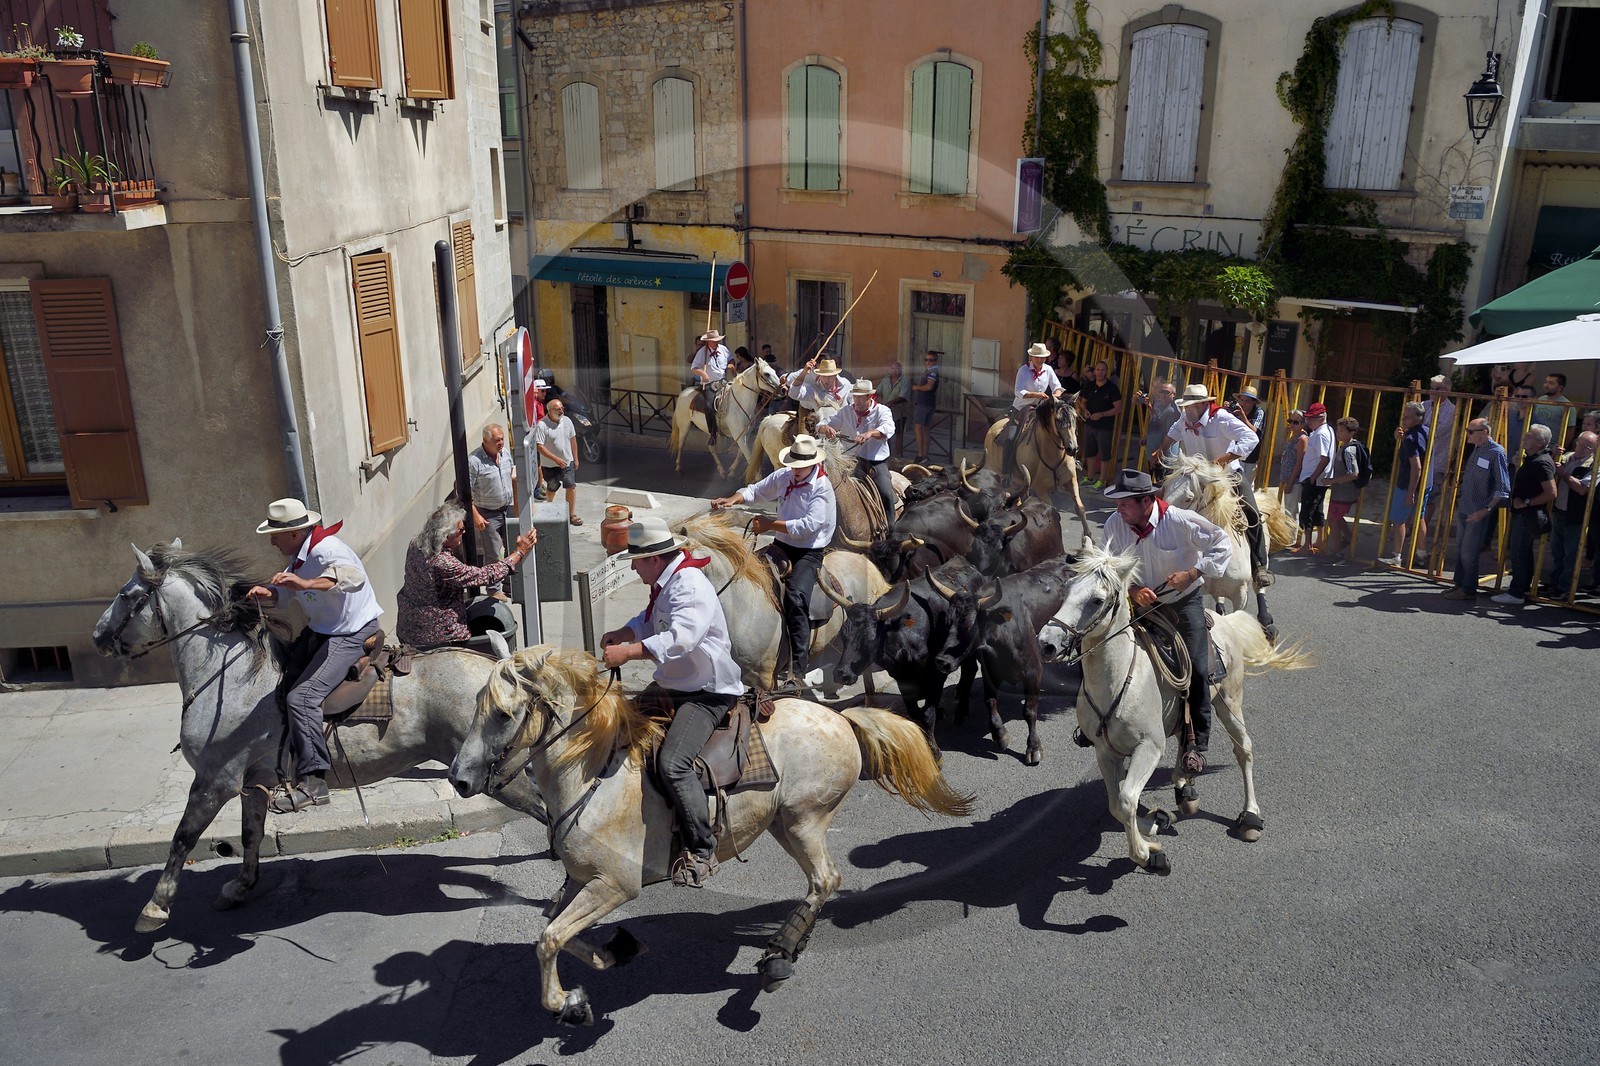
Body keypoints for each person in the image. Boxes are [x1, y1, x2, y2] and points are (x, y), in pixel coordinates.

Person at [600, 517, 743, 888]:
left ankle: (702, 848)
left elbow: (681, 638)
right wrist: (626, 632)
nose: (632, 566)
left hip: (705, 691)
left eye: (636, 560)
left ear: (655, 559)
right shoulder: (668, 581)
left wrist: (628, 652)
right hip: (675, 683)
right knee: (616, 727)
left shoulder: (690, 585)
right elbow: (650, 622)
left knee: (674, 763)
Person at [246, 499, 383, 812]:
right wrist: (269, 593)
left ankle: (314, 784)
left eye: (275, 535)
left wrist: (306, 583)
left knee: (302, 699)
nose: (271, 540)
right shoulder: (299, 556)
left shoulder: (327, 549)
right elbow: (287, 592)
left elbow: (351, 577)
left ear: (294, 534)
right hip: (323, 631)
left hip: (350, 633)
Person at [1102, 468, 1232, 769]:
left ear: (1147, 501)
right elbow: (1108, 564)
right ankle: (1097, 722)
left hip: (1182, 603)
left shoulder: (1180, 520)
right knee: (1100, 647)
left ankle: (1197, 743)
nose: (1118, 510)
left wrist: (1192, 574)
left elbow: (1221, 543)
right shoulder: (1114, 523)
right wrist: (1132, 588)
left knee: (1198, 668)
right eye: (1117, 504)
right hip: (1139, 604)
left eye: (1124, 504)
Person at [711, 434, 837, 690]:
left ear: (813, 464)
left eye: (800, 466)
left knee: (796, 597)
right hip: (782, 544)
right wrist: (733, 499)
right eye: (793, 465)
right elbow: (757, 490)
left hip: (808, 551)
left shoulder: (822, 488)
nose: (795, 470)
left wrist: (769, 525)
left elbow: (809, 526)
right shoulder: (785, 476)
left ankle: (797, 669)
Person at [396, 502, 537, 647]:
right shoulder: (443, 563)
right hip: (436, 632)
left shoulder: (416, 544)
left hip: (408, 624)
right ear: (445, 535)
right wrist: (519, 552)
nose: (464, 533)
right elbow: (485, 575)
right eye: (460, 530)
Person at [1167, 384, 1269, 581]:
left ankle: (1260, 565)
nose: (1187, 409)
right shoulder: (1185, 417)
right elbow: (1174, 431)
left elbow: (1251, 438)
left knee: (1251, 512)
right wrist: (1160, 449)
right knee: (1170, 502)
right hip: (1194, 475)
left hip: (1227, 474)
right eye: (1186, 405)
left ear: (1205, 404)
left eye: (1191, 405)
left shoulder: (1222, 418)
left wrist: (1225, 459)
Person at [1442, 418, 1511, 601]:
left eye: (1471, 431)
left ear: (1484, 432)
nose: (1467, 434)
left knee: (1468, 552)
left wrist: (1486, 510)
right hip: (1465, 506)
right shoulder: (1477, 448)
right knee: (1459, 550)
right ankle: (1459, 583)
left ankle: (1468, 589)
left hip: (1478, 511)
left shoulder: (1496, 452)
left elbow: (1503, 488)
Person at [818, 378, 897, 536]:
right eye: (855, 397)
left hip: (875, 461)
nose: (857, 401)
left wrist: (870, 433)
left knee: (886, 492)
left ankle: (891, 530)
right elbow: (824, 424)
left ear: (869, 397)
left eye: (861, 397)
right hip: (850, 461)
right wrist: (825, 428)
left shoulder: (882, 411)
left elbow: (889, 428)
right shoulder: (846, 411)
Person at [1491, 424, 1558, 607]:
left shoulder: (1541, 462)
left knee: (1519, 553)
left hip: (1528, 514)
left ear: (1540, 442)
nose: (1525, 438)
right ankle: (1522, 587)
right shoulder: (1533, 459)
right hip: (1524, 514)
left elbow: (1551, 492)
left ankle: (1517, 592)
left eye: (1530, 436)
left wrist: (1527, 502)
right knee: (1523, 552)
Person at [1543, 430, 1596, 598]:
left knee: (1570, 554)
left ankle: (1565, 587)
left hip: (1576, 515)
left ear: (1594, 449)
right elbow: (1548, 474)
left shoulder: (1594, 465)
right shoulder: (1567, 457)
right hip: (1559, 509)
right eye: (1579, 444)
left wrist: (1564, 473)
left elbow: (1582, 489)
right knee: (1556, 550)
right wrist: (1553, 458)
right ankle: (1554, 582)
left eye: (1587, 447)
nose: (1581, 449)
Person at [1000, 342, 1066, 475]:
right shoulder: (1023, 370)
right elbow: (1018, 391)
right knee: (1010, 438)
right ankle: (1006, 473)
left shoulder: (1048, 370)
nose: (1040, 360)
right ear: (1031, 357)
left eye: (1042, 357)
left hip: (1041, 408)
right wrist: (1037, 395)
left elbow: (1058, 387)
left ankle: (1064, 464)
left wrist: (1054, 397)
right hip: (1021, 408)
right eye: (1037, 357)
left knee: (1059, 430)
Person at [1378, 402, 1429, 567]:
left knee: (1399, 519)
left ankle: (1396, 556)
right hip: (1426, 484)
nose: (1403, 419)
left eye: (1407, 417)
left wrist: (1410, 492)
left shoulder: (1410, 439)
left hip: (1408, 484)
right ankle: (1421, 554)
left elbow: (1416, 467)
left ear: (1417, 419)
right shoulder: (1427, 431)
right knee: (1419, 518)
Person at [469, 422, 516, 597]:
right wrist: (476, 516)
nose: (501, 443)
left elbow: (512, 474)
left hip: (508, 508)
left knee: (512, 548)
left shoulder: (505, 454)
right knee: (494, 553)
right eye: (497, 440)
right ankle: (493, 589)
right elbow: (464, 492)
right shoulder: (474, 461)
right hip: (487, 513)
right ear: (485, 441)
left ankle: (510, 586)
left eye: (502, 439)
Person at [534, 397, 582, 526]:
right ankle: (549, 506)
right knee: (552, 487)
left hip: (567, 462)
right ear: (549, 411)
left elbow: (573, 440)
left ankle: (571, 515)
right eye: (557, 409)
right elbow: (539, 446)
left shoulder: (567, 421)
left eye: (562, 408)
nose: (561, 411)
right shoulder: (542, 425)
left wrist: (575, 459)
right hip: (550, 465)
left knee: (571, 486)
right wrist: (555, 459)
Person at [1421, 375, 1456, 546]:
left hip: (1437, 459)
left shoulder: (1451, 410)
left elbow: (1434, 432)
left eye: (1437, 388)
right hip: (1419, 457)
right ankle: (1412, 523)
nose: (1432, 392)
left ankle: (1422, 526)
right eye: (1431, 387)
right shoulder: (1424, 405)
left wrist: (1416, 430)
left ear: (1446, 391)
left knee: (1431, 494)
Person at [1078, 360, 1123, 489]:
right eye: (1097, 370)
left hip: (1105, 427)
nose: (1099, 373)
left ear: (1106, 372)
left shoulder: (1112, 388)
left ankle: (1102, 481)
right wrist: (1085, 411)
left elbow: (1118, 408)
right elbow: (1083, 401)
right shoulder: (1090, 386)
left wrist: (1102, 414)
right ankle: (1091, 477)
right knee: (1090, 452)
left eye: (1102, 370)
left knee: (1104, 454)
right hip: (1090, 424)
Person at [1296, 403, 1335, 554]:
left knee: (1307, 511)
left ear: (1322, 418)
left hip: (1314, 478)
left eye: (1312, 418)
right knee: (1317, 510)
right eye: (1308, 418)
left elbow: (1324, 458)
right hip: (1318, 478)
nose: (1309, 421)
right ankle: (1319, 540)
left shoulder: (1320, 434)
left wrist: (1313, 477)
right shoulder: (1325, 431)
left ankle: (1307, 545)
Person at [1323, 417, 1363, 560]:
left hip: (1344, 493)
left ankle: (1338, 551)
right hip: (1340, 492)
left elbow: (1354, 474)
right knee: (1337, 518)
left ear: (1351, 433)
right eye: (1338, 430)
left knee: (1332, 520)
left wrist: (1333, 480)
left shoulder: (1348, 451)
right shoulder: (1344, 446)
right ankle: (1349, 538)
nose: (1338, 433)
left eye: (1342, 431)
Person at [788, 355, 849, 436]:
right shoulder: (813, 389)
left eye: (830, 376)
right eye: (824, 376)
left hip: (843, 429)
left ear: (835, 375)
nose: (827, 380)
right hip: (819, 425)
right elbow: (793, 393)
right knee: (804, 439)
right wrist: (804, 371)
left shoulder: (846, 385)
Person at [691, 329, 731, 445]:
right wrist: (703, 374)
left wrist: (731, 364)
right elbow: (694, 368)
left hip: (723, 382)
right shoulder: (702, 352)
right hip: (709, 384)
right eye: (714, 341)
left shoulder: (723, 349)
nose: (716, 342)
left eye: (717, 340)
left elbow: (731, 358)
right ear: (708, 341)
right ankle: (713, 434)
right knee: (709, 406)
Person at [1136, 378, 1180, 479]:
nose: (1163, 395)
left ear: (1174, 395)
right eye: (1161, 391)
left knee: (1163, 484)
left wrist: (1158, 453)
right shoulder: (1158, 404)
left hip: (1164, 456)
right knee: (1149, 482)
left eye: (1167, 392)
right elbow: (1155, 421)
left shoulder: (1173, 412)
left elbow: (1170, 436)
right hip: (1152, 451)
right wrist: (1146, 438)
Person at [1277, 410, 1307, 549]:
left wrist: (1290, 482)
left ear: (1303, 424)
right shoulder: (1294, 437)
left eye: (1296, 422)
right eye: (1290, 421)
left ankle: (1293, 538)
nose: (1292, 425)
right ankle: (1289, 537)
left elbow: (1299, 463)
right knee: (1288, 509)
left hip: (1294, 481)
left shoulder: (1302, 439)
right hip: (1288, 479)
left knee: (1291, 510)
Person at [1233, 386, 1267, 488]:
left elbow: (1256, 433)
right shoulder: (1235, 409)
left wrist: (1243, 418)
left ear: (1253, 402)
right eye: (1241, 400)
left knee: (1246, 488)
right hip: (1234, 454)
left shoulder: (1259, 412)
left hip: (1250, 457)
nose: (1243, 404)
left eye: (1247, 401)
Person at [911, 349, 940, 462]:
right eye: (926, 360)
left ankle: (920, 455)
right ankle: (925, 455)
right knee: (925, 429)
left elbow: (929, 387)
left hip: (924, 403)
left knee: (918, 428)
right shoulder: (931, 371)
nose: (928, 362)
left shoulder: (932, 372)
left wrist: (916, 387)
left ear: (936, 361)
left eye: (931, 360)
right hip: (929, 403)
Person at [1532, 372, 1573, 443]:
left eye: (1551, 383)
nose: (1546, 385)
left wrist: (1560, 449)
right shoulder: (1540, 399)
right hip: (1534, 444)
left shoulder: (1567, 405)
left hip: (1552, 446)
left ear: (1560, 387)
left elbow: (1570, 430)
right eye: (1546, 382)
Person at [878, 360, 909, 453]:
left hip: (900, 412)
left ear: (901, 370)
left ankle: (898, 455)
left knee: (898, 434)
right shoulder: (885, 380)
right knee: (886, 433)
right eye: (892, 368)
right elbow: (878, 391)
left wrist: (891, 402)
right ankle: (887, 453)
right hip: (886, 412)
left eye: (896, 368)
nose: (894, 370)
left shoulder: (905, 381)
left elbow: (903, 397)